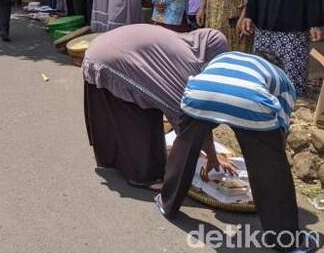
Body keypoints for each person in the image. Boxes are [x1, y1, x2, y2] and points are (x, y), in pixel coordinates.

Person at [157, 51, 317, 253]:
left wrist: (212, 156)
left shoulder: (226, 57)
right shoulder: (283, 80)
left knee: (185, 145)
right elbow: (280, 132)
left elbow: (204, 122)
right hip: (251, 101)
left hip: (199, 93)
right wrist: (269, 161)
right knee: (271, 169)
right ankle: (288, 241)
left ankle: (167, 202)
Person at [82, 25, 229, 190]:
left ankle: (114, 160)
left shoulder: (185, 42)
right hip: (110, 61)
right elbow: (188, 118)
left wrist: (211, 155)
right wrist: (211, 157)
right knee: (141, 119)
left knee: (138, 106)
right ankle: (144, 176)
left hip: (99, 49)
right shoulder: (188, 65)